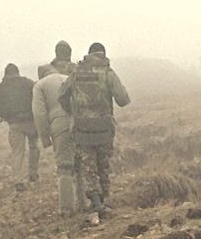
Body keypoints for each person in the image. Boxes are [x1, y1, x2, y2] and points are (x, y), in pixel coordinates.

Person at [59, 42, 130, 224]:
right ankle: (102, 202)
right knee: (102, 165)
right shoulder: (108, 73)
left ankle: (95, 201)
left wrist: (72, 111)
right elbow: (123, 99)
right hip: (104, 127)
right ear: (103, 54)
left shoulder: (77, 72)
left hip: (82, 127)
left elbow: (61, 94)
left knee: (88, 166)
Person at [32, 40, 84, 218]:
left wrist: (45, 138)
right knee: (80, 164)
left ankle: (67, 210)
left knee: (64, 167)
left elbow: (39, 114)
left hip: (59, 126)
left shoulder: (40, 85)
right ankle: (84, 203)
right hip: (79, 123)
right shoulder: (69, 77)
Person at [0, 63, 40, 190]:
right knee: (34, 147)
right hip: (31, 121)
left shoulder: (1, 88)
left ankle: (18, 181)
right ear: (17, 72)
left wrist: (6, 116)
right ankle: (33, 174)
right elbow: (38, 96)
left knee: (18, 152)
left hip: (15, 124)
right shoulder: (28, 83)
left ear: (6, 74)